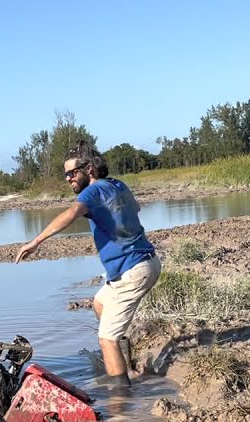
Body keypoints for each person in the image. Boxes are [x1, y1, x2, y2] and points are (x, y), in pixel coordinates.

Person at [14, 140, 160, 387]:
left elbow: (71, 214)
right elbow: (135, 207)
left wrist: (35, 241)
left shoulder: (91, 192)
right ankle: (126, 363)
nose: (69, 179)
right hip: (145, 264)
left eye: (72, 173)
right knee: (100, 303)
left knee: (106, 339)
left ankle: (121, 400)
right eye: (66, 175)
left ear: (89, 168)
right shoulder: (117, 185)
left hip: (133, 270)